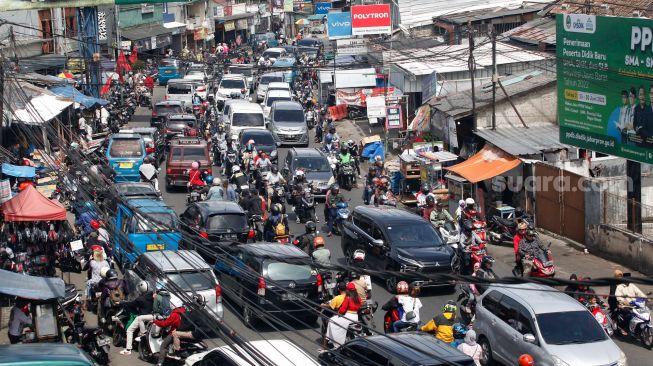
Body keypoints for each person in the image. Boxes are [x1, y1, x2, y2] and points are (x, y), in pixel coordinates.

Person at [120, 281, 155, 355]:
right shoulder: (152, 295)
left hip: (142, 317)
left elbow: (131, 304)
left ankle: (128, 349)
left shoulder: (140, 299)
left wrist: (122, 303)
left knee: (129, 330)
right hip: (152, 316)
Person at [324, 282, 361, 348]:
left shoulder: (348, 297)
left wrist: (339, 314)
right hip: (356, 317)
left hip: (348, 316)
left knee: (331, 321)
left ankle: (336, 344)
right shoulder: (358, 297)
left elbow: (343, 309)